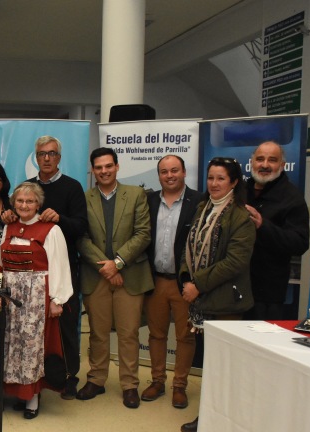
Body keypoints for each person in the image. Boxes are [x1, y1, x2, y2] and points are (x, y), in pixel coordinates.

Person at [179, 157, 256, 432]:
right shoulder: (203, 208)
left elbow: (236, 261)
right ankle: (210, 416)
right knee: (211, 365)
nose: (214, 183)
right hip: (202, 300)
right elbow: (190, 247)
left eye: (221, 178)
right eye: (211, 178)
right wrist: (186, 279)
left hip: (226, 301)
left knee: (224, 368)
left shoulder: (240, 216)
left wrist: (197, 284)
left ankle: (219, 420)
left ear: (234, 182)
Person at [76, 147, 152, 409]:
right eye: (98, 167)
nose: (104, 171)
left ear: (117, 167)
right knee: (97, 333)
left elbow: (143, 233)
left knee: (129, 333)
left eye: (108, 166)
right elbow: (81, 237)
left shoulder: (136, 195)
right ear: (93, 170)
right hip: (96, 276)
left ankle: (130, 385)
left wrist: (117, 264)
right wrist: (105, 268)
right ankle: (96, 379)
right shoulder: (84, 198)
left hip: (130, 275)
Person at [0, 182, 73, 419]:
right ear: (14, 204)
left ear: (38, 204)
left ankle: (32, 398)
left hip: (36, 298)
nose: (24, 205)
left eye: (30, 201)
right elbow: (1, 262)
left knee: (32, 347)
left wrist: (56, 299)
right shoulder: (8, 227)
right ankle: (17, 393)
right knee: (12, 345)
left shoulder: (51, 229)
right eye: (20, 201)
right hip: (11, 297)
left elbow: (60, 265)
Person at [25, 136, 88, 399]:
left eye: (52, 154)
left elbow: (81, 227)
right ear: (36, 158)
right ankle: (39, 375)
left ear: (59, 158)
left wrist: (60, 219)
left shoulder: (72, 187)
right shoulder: (27, 188)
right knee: (35, 326)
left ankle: (70, 376)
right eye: (42, 154)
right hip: (31, 271)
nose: (47, 158)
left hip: (63, 268)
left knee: (66, 325)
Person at [141, 155, 200, 409]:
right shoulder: (149, 200)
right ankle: (157, 381)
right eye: (164, 171)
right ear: (159, 176)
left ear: (184, 172)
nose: (170, 175)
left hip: (184, 283)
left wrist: (194, 281)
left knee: (185, 337)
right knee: (156, 335)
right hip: (156, 280)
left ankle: (180, 386)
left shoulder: (199, 201)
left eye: (174, 170)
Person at [244, 141, 309, 320]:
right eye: (260, 159)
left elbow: (300, 243)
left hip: (267, 295)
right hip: (235, 289)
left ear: (282, 165)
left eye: (272, 160)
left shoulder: (292, 198)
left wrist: (263, 225)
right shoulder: (241, 191)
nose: (265, 165)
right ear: (252, 162)